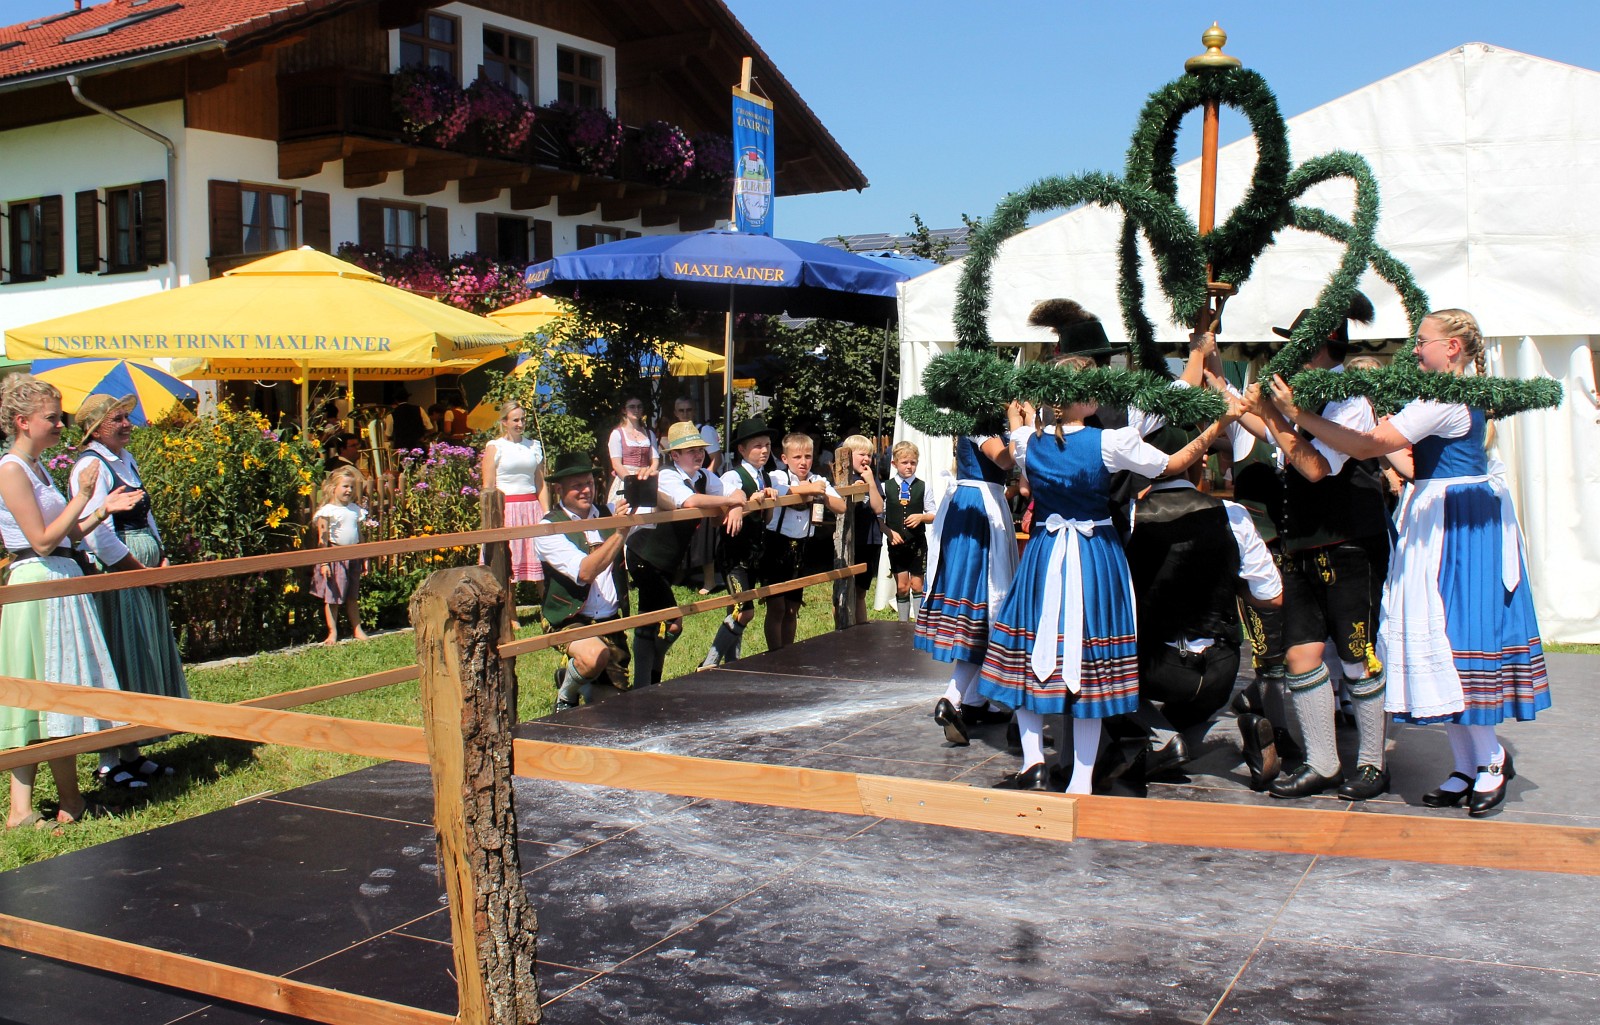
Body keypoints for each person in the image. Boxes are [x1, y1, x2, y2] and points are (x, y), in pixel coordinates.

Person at [1269, 308, 1550, 817]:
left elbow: (1367, 445)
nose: (1415, 349)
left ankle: (1489, 758)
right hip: (1440, 513)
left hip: (1456, 526)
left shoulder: (1447, 397)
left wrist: (1298, 414)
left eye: (1423, 341)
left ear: (1453, 347)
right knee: (1438, 635)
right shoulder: (1442, 396)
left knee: (1455, 635)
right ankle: (1466, 763)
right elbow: (1411, 461)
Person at [978, 362, 1240, 794]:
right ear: (1083, 395)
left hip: (1045, 551)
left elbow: (1022, 464)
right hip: (1094, 554)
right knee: (1091, 661)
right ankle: (1081, 780)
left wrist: (1016, 414)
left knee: (1028, 650)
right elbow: (1173, 463)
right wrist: (1220, 423)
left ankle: (1033, 761)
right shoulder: (1109, 441)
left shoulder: (1027, 441)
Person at [1243, 296, 1392, 802]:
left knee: (1356, 656)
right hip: (1305, 545)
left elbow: (1313, 466)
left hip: (1349, 546)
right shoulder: (1302, 400)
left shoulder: (1349, 399)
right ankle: (1322, 762)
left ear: (1319, 347)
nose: (1286, 355)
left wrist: (1278, 414)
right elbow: (1275, 434)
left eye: (1296, 346)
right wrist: (1227, 390)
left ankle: (1372, 763)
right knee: (1301, 653)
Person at [0, 374, 140, 829]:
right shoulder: (11, 469)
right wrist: (81, 496)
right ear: (22, 421)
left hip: (59, 577)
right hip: (38, 583)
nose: (61, 424)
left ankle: (68, 800)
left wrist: (101, 510)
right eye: (52, 417)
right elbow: (41, 541)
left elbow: (66, 534)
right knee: (38, 689)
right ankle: (22, 809)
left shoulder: (37, 468)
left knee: (59, 689)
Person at [1120, 424, 1283, 785]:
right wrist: (1231, 583)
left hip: (1154, 667)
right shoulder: (1233, 513)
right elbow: (1272, 596)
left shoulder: (1129, 518)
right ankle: (1236, 732)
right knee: (1177, 719)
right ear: (1195, 464)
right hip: (1220, 669)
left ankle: (1162, 739)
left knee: (1100, 690)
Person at [70, 393, 188, 791]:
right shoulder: (91, 465)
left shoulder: (125, 461)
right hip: (119, 574)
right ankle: (108, 761)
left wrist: (163, 555)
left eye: (127, 417)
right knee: (120, 655)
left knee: (142, 653)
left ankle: (132, 752)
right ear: (95, 428)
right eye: (117, 419)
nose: (127, 424)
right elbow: (97, 534)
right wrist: (139, 572)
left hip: (143, 572)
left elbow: (146, 516)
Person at [914, 423, 1018, 747]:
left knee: (986, 605)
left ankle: (973, 700)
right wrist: (1025, 430)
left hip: (981, 503)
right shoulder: (980, 418)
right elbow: (1002, 458)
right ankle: (954, 697)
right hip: (978, 509)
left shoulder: (984, 417)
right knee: (986, 605)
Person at [625, 421, 747, 687]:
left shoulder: (704, 477)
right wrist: (731, 502)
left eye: (700, 450)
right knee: (673, 621)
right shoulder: (668, 476)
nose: (698, 455)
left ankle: (646, 683)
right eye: (691, 450)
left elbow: (734, 491)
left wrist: (737, 505)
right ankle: (646, 680)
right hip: (644, 555)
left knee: (649, 620)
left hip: (665, 559)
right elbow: (689, 501)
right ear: (675, 455)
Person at [534, 454, 632, 711]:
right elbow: (585, 572)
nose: (586, 490)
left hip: (609, 619)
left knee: (613, 709)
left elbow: (660, 509)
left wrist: (646, 481)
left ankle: (573, 676)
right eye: (577, 485)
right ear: (558, 489)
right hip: (568, 616)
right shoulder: (548, 528)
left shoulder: (610, 512)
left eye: (589, 482)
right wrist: (620, 534)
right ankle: (566, 697)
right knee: (593, 655)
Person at [700, 418, 780, 668]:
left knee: (736, 609)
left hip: (753, 554)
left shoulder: (765, 477)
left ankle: (732, 662)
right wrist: (748, 504)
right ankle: (709, 662)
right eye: (758, 446)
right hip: (734, 555)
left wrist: (768, 502)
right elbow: (724, 518)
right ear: (742, 450)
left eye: (767, 445)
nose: (764, 451)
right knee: (744, 611)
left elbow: (766, 519)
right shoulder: (732, 477)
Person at [763, 432, 845, 652]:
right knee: (777, 607)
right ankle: (774, 654)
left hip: (802, 546)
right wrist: (809, 490)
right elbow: (781, 492)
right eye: (797, 457)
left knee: (792, 608)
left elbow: (841, 507)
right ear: (785, 458)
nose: (803, 462)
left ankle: (788, 652)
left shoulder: (818, 480)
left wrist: (822, 495)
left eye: (807, 456)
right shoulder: (777, 476)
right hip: (777, 544)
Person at [479, 402, 546, 596]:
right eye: (515, 420)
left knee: (540, 563)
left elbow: (540, 483)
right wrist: (492, 517)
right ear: (504, 422)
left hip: (531, 508)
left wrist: (546, 512)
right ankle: (508, 609)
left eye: (523, 419)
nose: (520, 424)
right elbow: (488, 486)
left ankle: (546, 607)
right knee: (507, 564)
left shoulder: (533, 446)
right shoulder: (495, 447)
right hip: (506, 509)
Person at [669, 395, 723, 593]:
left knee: (705, 533)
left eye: (689, 410)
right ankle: (680, 573)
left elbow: (716, 458)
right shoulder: (673, 434)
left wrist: (703, 478)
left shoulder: (705, 430)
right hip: (688, 488)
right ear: (675, 413)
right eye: (681, 410)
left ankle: (709, 579)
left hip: (703, 488)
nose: (685, 414)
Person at [311, 466, 369, 646]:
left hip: (353, 557)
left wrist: (365, 558)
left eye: (351, 487)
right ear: (333, 488)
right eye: (345, 486)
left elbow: (359, 536)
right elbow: (322, 539)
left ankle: (357, 629)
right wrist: (324, 563)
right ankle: (332, 632)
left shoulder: (355, 510)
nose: (349, 490)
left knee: (352, 596)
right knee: (333, 597)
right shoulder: (327, 511)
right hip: (335, 558)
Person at [833, 435, 885, 627]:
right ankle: (843, 628)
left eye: (869, 455)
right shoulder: (843, 477)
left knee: (861, 590)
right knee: (844, 589)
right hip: (849, 539)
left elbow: (878, 508)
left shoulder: (871, 477)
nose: (866, 459)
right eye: (861, 454)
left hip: (869, 539)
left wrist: (870, 482)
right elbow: (843, 509)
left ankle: (861, 630)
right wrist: (854, 491)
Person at [883, 440, 936, 623]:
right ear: (894, 463)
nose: (909, 466)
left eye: (913, 462)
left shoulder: (923, 486)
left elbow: (933, 514)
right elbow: (879, 516)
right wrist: (889, 532)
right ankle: (903, 623)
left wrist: (921, 517)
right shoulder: (886, 487)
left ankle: (919, 624)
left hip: (917, 542)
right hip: (896, 543)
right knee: (902, 586)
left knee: (917, 584)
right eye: (904, 462)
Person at [606, 396, 658, 505]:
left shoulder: (649, 434)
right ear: (624, 410)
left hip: (646, 478)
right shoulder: (617, 434)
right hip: (625, 479)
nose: (636, 410)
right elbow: (616, 464)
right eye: (632, 407)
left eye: (639, 407)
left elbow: (655, 461)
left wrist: (648, 476)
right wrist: (631, 482)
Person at [386, 385, 431, 452]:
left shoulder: (391, 414)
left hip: (401, 448)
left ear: (395, 400)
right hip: (417, 448)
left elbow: (388, 435)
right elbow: (430, 428)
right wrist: (422, 437)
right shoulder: (419, 409)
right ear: (407, 398)